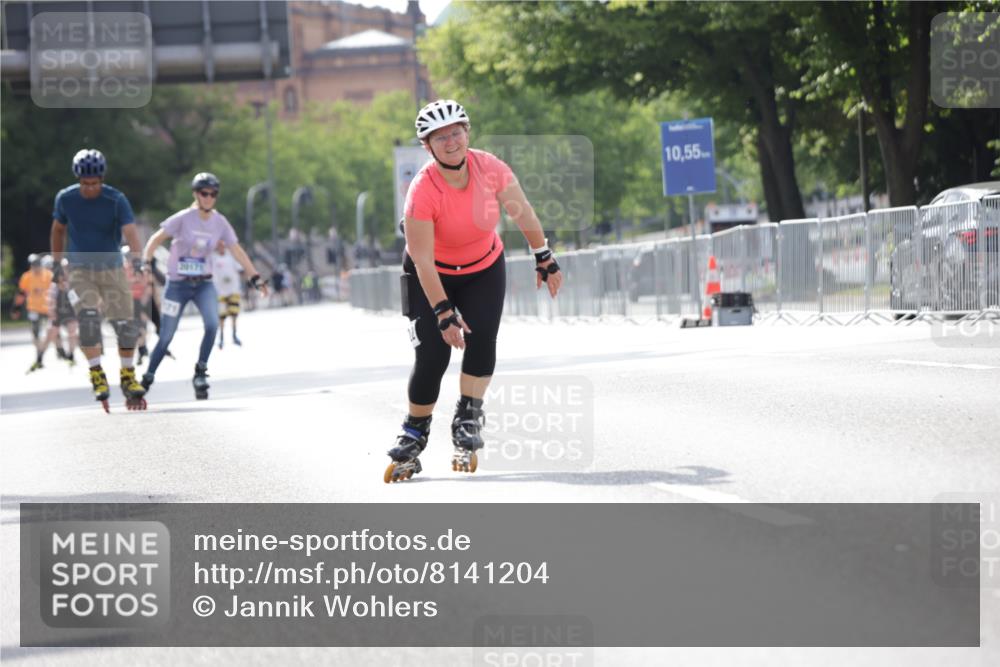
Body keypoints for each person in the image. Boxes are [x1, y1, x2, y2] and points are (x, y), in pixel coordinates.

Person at [384, 99, 563, 483]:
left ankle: (468, 415)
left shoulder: (490, 167)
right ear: (427, 146)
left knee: (482, 339)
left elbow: (523, 211)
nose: (451, 141)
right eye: (440, 137)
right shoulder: (422, 191)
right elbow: (423, 261)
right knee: (433, 353)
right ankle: (414, 431)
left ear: (467, 132)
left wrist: (543, 256)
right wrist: (444, 313)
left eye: (456, 132)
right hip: (429, 274)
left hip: (483, 268)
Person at [141, 172, 267, 399]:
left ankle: (200, 371)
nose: (208, 198)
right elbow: (155, 240)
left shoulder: (220, 222)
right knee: (167, 335)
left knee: (212, 325)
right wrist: (146, 264)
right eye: (204, 193)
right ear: (196, 194)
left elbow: (236, 250)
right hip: (177, 285)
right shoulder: (183, 218)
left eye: (213, 194)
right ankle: (147, 378)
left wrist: (255, 277)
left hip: (203, 284)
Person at [49, 149, 148, 411]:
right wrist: (58, 264)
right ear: (78, 179)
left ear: (102, 178)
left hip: (113, 268)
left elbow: (129, 230)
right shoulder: (66, 199)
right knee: (89, 320)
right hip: (80, 270)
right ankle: (97, 374)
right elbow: (58, 230)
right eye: (85, 183)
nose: (90, 188)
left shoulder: (116, 199)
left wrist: (137, 259)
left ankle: (128, 376)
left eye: (95, 183)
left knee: (127, 326)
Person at [13, 253, 54, 373]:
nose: (35, 268)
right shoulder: (27, 276)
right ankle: (39, 355)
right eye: (33, 265)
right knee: (36, 333)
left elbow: (55, 292)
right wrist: (16, 307)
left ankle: (59, 351)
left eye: (37, 265)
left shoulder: (48, 275)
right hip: (34, 308)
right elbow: (22, 293)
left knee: (52, 331)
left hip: (48, 308)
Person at [44, 258, 80, 366]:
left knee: (72, 332)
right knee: (52, 332)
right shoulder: (54, 282)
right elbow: (51, 297)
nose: (65, 270)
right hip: (58, 311)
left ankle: (71, 354)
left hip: (70, 311)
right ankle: (60, 351)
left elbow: (77, 299)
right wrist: (51, 311)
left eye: (66, 268)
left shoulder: (73, 281)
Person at [211, 240, 244, 348]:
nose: (221, 247)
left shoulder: (231, 257)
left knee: (234, 314)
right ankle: (221, 338)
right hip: (220, 291)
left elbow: (240, 270)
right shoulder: (213, 258)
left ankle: (234, 335)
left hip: (233, 289)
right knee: (222, 316)